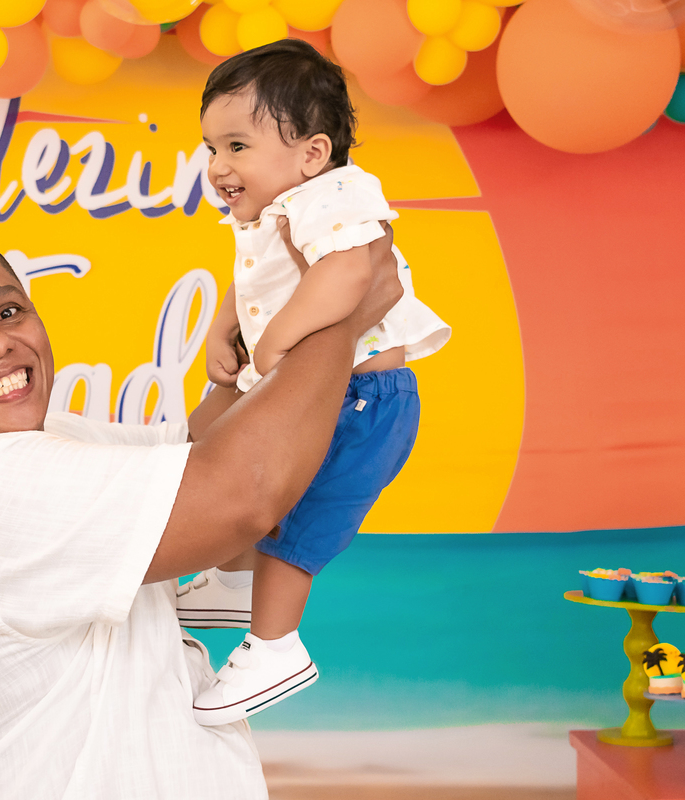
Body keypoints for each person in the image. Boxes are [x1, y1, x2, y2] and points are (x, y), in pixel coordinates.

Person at [0, 226, 403, 799]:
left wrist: (279, 312)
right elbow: (241, 496)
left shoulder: (44, 442)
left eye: (8, 312)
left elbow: (202, 452)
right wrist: (345, 316)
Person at [179, 40, 451, 727]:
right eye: (211, 148)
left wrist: (274, 341)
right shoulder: (281, 207)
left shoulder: (335, 194)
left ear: (312, 152)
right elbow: (257, 277)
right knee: (250, 482)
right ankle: (233, 582)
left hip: (362, 405)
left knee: (297, 527)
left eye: (237, 146)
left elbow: (351, 273)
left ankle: (275, 647)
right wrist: (224, 327)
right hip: (331, 398)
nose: (218, 166)